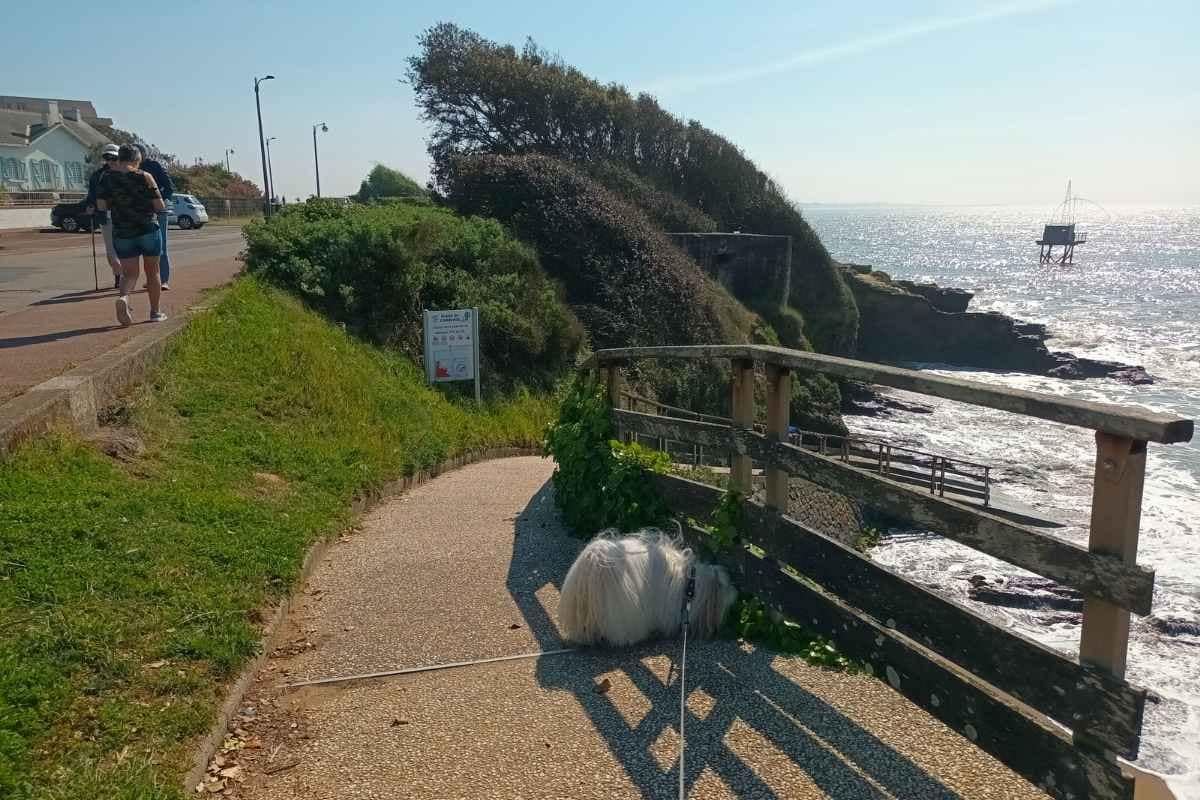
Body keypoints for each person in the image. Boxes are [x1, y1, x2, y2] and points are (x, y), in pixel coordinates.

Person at [96, 144, 167, 326]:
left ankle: (125, 299)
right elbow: (159, 206)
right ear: (136, 160)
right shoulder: (144, 176)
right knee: (153, 272)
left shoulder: (106, 178)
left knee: (129, 274)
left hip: (122, 232)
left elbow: (102, 207)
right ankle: (155, 312)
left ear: (119, 158)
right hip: (147, 229)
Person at [135, 147, 175, 290]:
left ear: (143, 154)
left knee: (161, 246)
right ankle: (152, 279)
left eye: (138, 153)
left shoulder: (154, 166)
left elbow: (169, 188)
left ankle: (164, 280)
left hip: (158, 211)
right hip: (141, 212)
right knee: (147, 247)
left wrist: (159, 201)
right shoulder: (131, 170)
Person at [85, 144, 124, 288]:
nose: (111, 160)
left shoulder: (126, 173)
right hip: (106, 217)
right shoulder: (98, 175)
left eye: (114, 157)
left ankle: (125, 274)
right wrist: (90, 206)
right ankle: (118, 275)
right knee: (111, 249)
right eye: (107, 157)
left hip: (124, 217)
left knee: (124, 247)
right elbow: (92, 195)